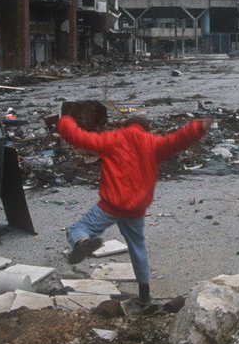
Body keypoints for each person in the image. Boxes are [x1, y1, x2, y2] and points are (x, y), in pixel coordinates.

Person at [52, 112, 212, 304]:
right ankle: (144, 293)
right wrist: (197, 128)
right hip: (136, 209)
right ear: (146, 128)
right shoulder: (153, 143)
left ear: (127, 125)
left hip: (111, 204)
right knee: (137, 246)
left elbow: (80, 138)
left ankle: (82, 242)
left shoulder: (112, 139)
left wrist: (64, 122)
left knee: (77, 229)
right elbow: (176, 141)